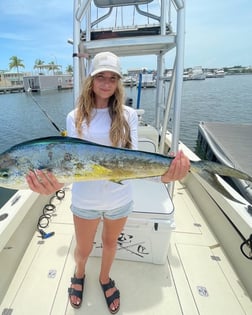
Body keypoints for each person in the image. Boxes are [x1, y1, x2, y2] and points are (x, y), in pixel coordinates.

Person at [26, 51, 190, 314]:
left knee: (111, 243)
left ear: (118, 83)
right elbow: (71, 165)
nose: (106, 83)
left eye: (112, 78)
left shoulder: (128, 115)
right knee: (83, 248)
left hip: (120, 198)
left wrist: (164, 174)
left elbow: (132, 160)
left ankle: (104, 278)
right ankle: (79, 273)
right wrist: (55, 183)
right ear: (91, 80)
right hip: (85, 199)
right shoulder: (75, 116)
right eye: (100, 76)